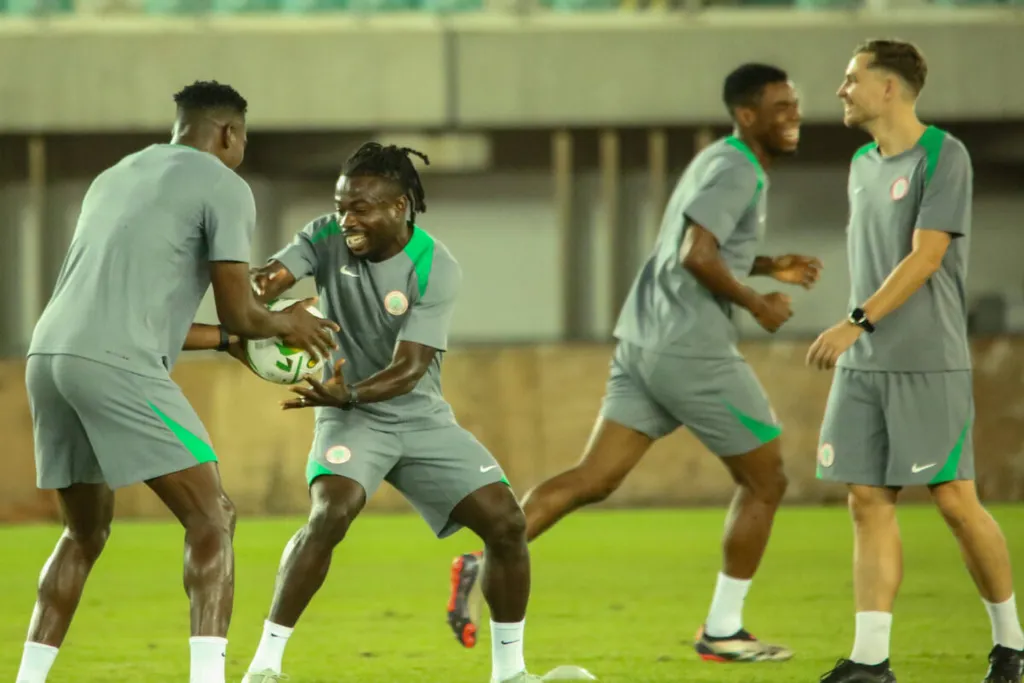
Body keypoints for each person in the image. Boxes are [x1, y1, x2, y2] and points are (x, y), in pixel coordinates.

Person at [447, 63, 822, 663]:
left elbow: (700, 247)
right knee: (766, 478)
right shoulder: (738, 169)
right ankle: (723, 629)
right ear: (747, 115)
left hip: (644, 341)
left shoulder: (716, 158)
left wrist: (765, 263)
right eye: (781, 107)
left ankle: (480, 559)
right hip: (690, 348)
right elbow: (696, 255)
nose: (794, 115)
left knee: (592, 478)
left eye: (795, 105)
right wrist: (757, 302)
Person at [15, 81, 338, 683]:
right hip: (116, 365)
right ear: (229, 133)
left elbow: (147, 310)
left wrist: (230, 342)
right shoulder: (225, 185)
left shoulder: (116, 176)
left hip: (50, 356)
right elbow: (243, 309)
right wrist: (288, 319)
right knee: (212, 517)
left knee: (83, 531)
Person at [239, 142, 547, 683]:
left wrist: (349, 394)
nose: (346, 219)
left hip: (414, 413)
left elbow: (409, 369)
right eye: (341, 206)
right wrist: (259, 308)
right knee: (330, 514)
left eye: (360, 208)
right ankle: (264, 667)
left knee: (507, 523)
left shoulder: (434, 266)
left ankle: (510, 673)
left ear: (400, 206)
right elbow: (267, 283)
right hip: (351, 415)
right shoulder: (323, 236)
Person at [810, 39, 1024, 683]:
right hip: (864, 364)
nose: (841, 90)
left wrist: (855, 322)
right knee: (866, 502)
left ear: (889, 89)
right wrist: (860, 334)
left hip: (927, 360)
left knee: (956, 501)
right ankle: (871, 661)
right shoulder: (860, 164)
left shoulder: (944, 155)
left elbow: (927, 256)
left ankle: (1012, 645)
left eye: (851, 79)